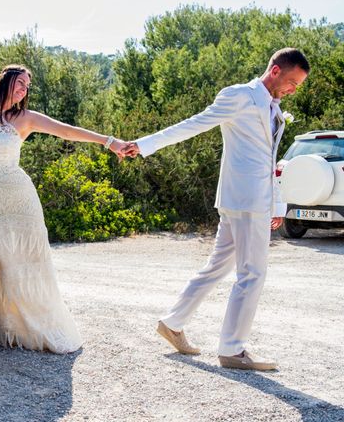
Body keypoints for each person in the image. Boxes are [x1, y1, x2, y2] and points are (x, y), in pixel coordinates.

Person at [124, 48, 310, 370]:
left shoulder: (273, 107)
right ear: (276, 70)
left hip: (251, 199)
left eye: (299, 85)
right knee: (252, 273)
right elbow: (193, 125)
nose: (294, 90)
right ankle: (232, 350)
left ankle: (172, 322)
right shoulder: (239, 96)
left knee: (217, 267)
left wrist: (276, 203)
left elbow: (268, 161)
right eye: (293, 82)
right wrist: (143, 145)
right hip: (245, 201)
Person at [0, 64, 126, 354]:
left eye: (27, 86)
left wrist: (109, 141)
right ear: (3, 81)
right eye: (20, 83)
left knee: (28, 261)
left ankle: (36, 327)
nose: (24, 90)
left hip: (20, 201)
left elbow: (66, 132)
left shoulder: (24, 118)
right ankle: (3, 323)